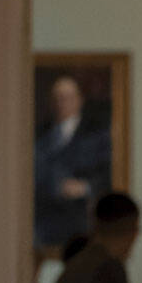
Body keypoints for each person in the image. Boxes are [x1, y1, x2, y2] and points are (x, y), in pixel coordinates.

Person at [35, 75, 112, 248]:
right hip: (45, 220)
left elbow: (108, 173)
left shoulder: (96, 135)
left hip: (79, 219)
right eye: (58, 98)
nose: (62, 103)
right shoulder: (40, 135)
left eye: (68, 97)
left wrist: (85, 187)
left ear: (79, 100)